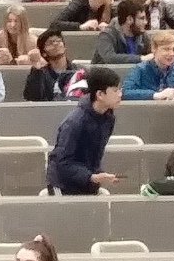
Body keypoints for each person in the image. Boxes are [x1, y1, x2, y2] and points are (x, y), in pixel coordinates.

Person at [46, 66, 122, 195]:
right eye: (115, 91)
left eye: (120, 89)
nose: (120, 94)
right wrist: (91, 177)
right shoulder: (74, 122)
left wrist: (98, 175)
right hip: (62, 185)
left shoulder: (108, 117)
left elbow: (95, 155)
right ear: (100, 94)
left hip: (87, 184)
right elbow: (63, 163)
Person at [122, 30, 174, 101]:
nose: (171, 54)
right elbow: (126, 92)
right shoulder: (140, 69)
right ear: (154, 49)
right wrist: (155, 95)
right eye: (166, 49)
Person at [23, 29, 76, 102]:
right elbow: (32, 99)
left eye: (58, 41)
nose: (55, 44)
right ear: (44, 53)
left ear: (64, 47)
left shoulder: (79, 71)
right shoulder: (39, 73)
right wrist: (36, 69)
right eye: (50, 43)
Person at [92, 0, 151, 64]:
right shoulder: (107, 35)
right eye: (142, 18)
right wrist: (140, 58)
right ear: (129, 19)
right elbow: (109, 58)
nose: (145, 22)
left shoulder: (143, 35)